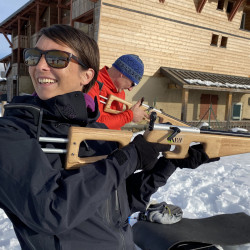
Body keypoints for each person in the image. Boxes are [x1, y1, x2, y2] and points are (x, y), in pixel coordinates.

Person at [0, 24, 216, 250]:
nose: (40, 66)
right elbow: (50, 210)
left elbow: (121, 203)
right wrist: (129, 158)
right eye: (34, 57)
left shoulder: (97, 129)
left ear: (86, 75)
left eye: (56, 59)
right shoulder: (11, 133)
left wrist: (170, 162)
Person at [88, 54, 149, 130]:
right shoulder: (92, 83)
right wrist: (129, 115)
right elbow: (95, 125)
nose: (130, 89)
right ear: (122, 75)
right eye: (132, 84)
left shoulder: (120, 92)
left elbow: (115, 124)